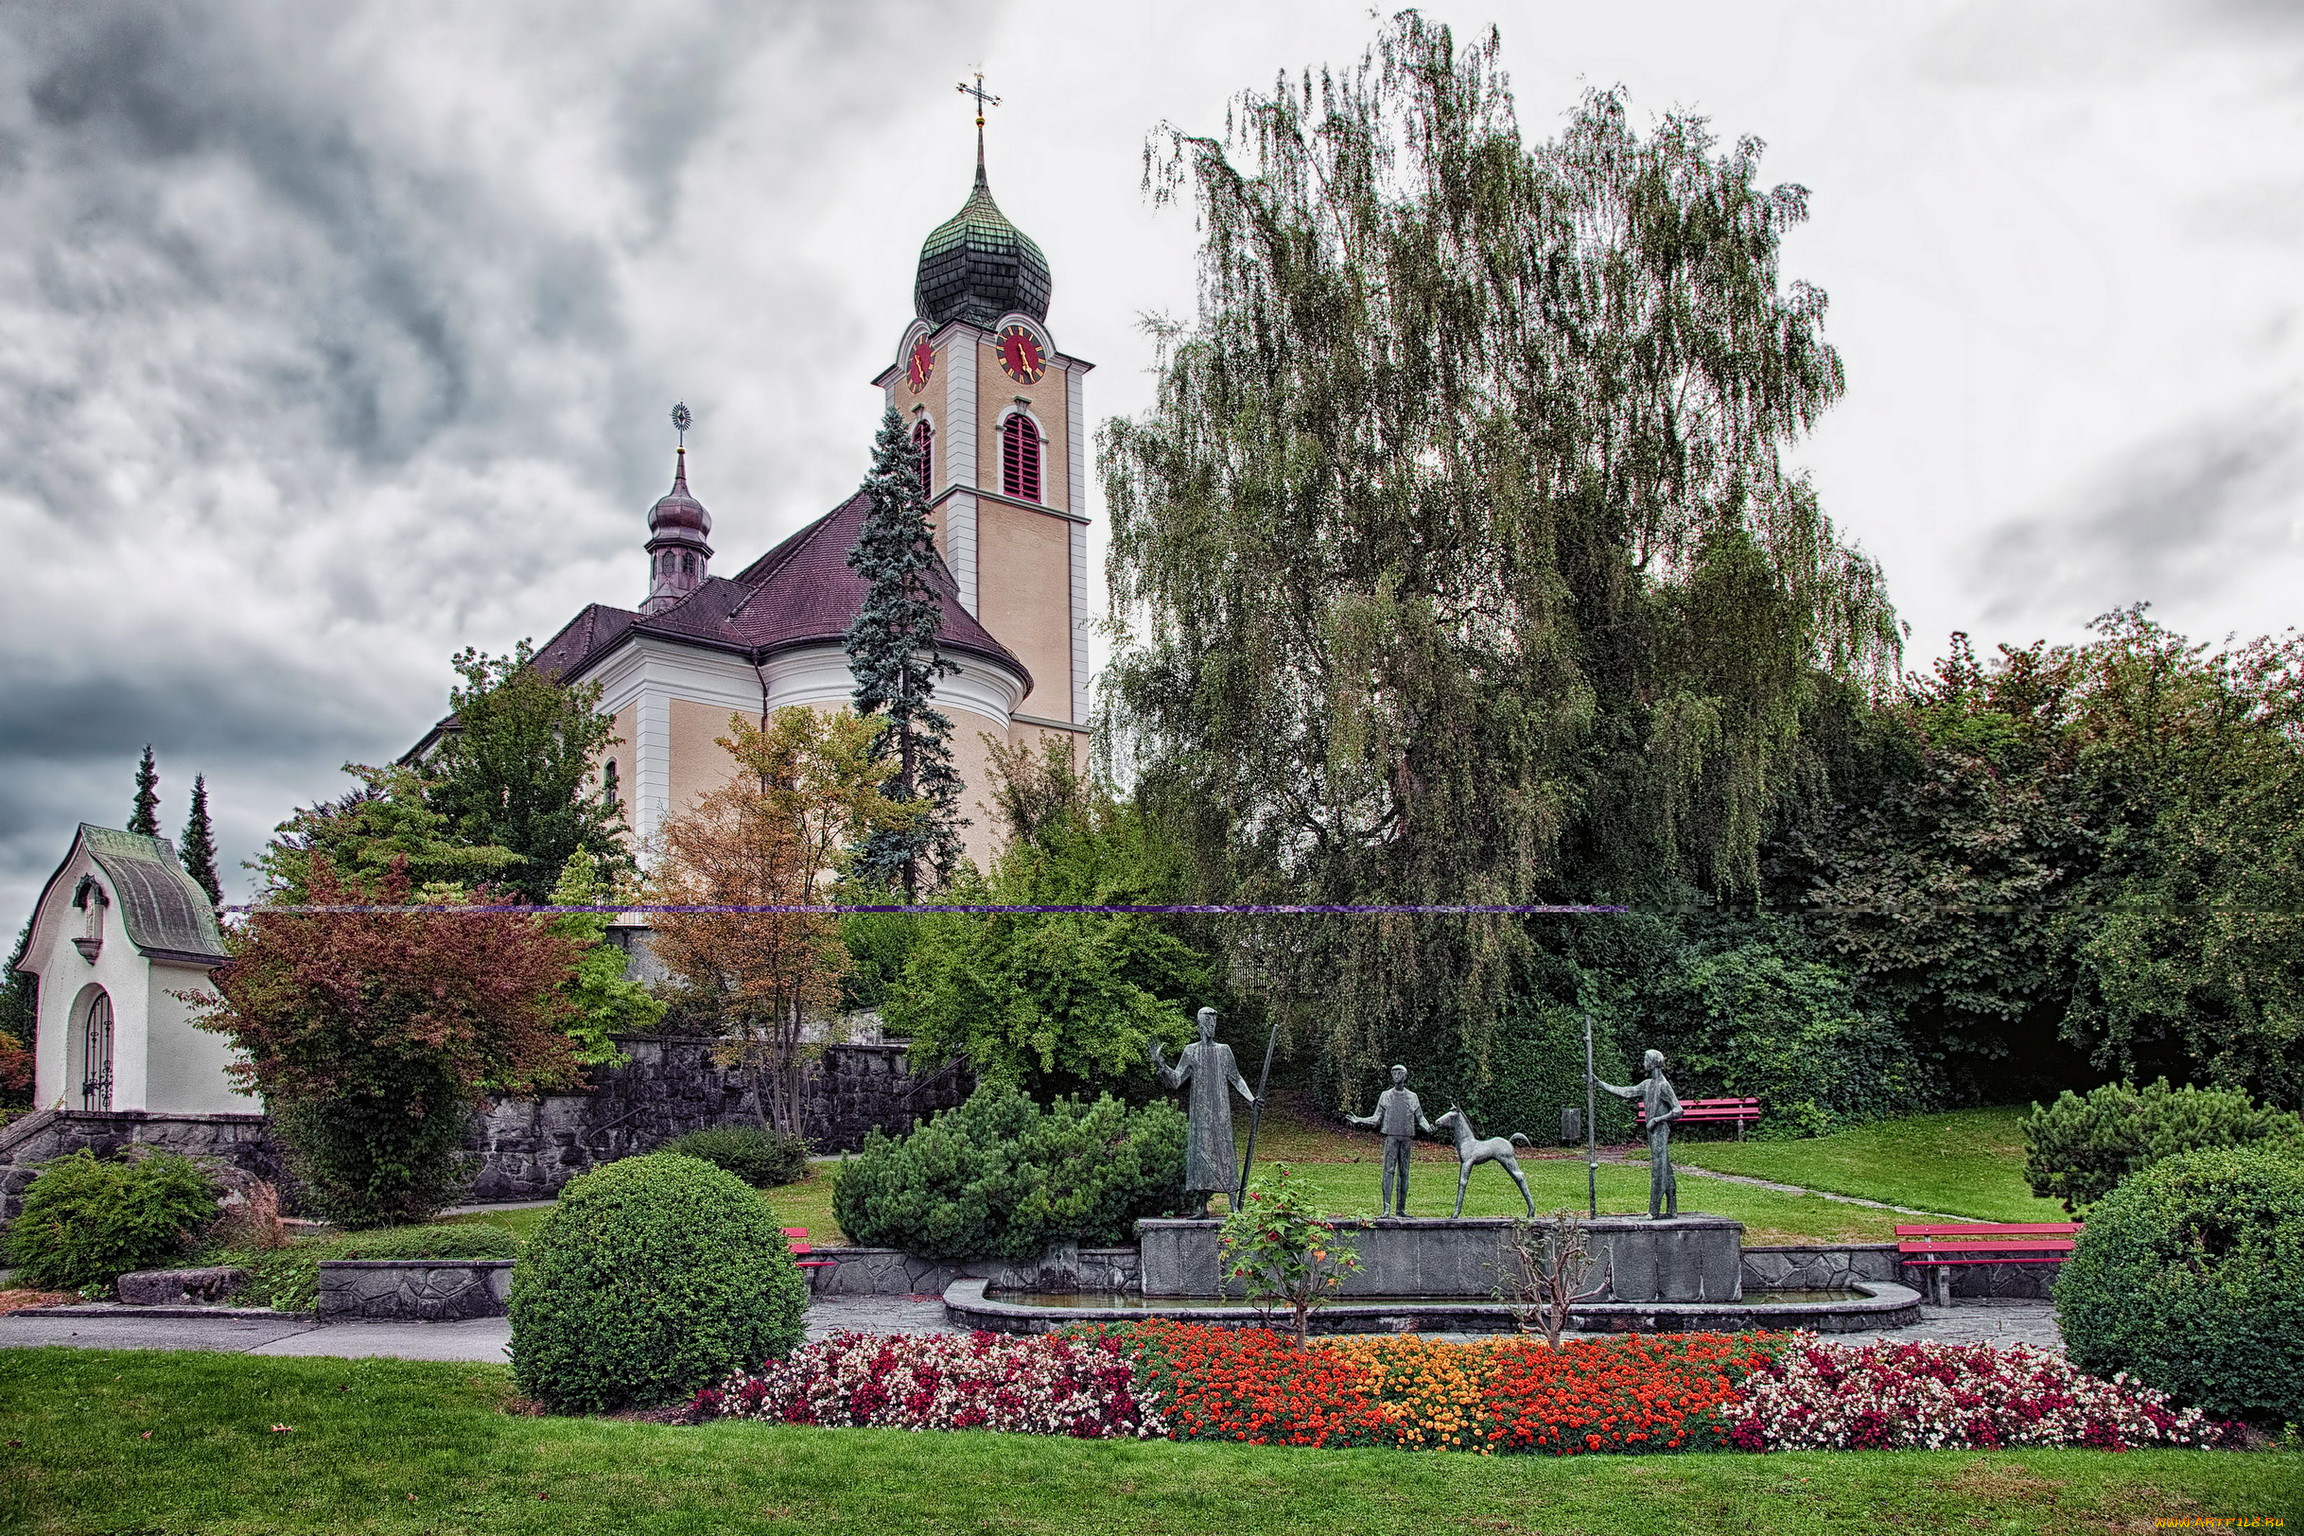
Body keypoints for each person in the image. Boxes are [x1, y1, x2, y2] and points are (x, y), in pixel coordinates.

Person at [1151, 1007, 1260, 1218]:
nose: (1212, 1026)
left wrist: (1251, 1099)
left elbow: (1236, 1078)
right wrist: (1161, 1065)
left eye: (1214, 1022)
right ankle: (1202, 1207)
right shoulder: (1191, 1051)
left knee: (1224, 1151)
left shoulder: (1224, 1050)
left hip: (1220, 1110)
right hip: (1200, 1111)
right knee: (1200, 1155)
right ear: (1200, 1025)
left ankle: (1233, 1204)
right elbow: (1176, 1081)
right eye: (1208, 1022)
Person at [1592, 1049, 1684, 1219]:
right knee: (1666, 1168)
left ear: (1653, 1062)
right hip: (1653, 1131)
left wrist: (1657, 1120)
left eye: (1645, 1059)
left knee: (1659, 1169)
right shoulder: (1648, 1084)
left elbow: (1678, 1110)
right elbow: (1627, 1092)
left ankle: (1653, 1211)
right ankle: (1672, 1209)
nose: (1643, 1062)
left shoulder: (1663, 1086)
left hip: (1659, 1131)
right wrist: (1600, 1084)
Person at [1345, 1064, 1434, 1217]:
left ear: (1405, 1076)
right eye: (1393, 1073)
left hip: (1406, 1137)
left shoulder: (1412, 1097)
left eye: (1399, 1073)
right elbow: (1376, 1118)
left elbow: (1420, 1118)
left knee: (1404, 1173)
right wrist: (1359, 1120)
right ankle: (1386, 1209)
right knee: (1388, 1171)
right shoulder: (1386, 1095)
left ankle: (1401, 1209)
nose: (1396, 1075)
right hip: (1391, 1137)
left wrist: (1429, 1128)